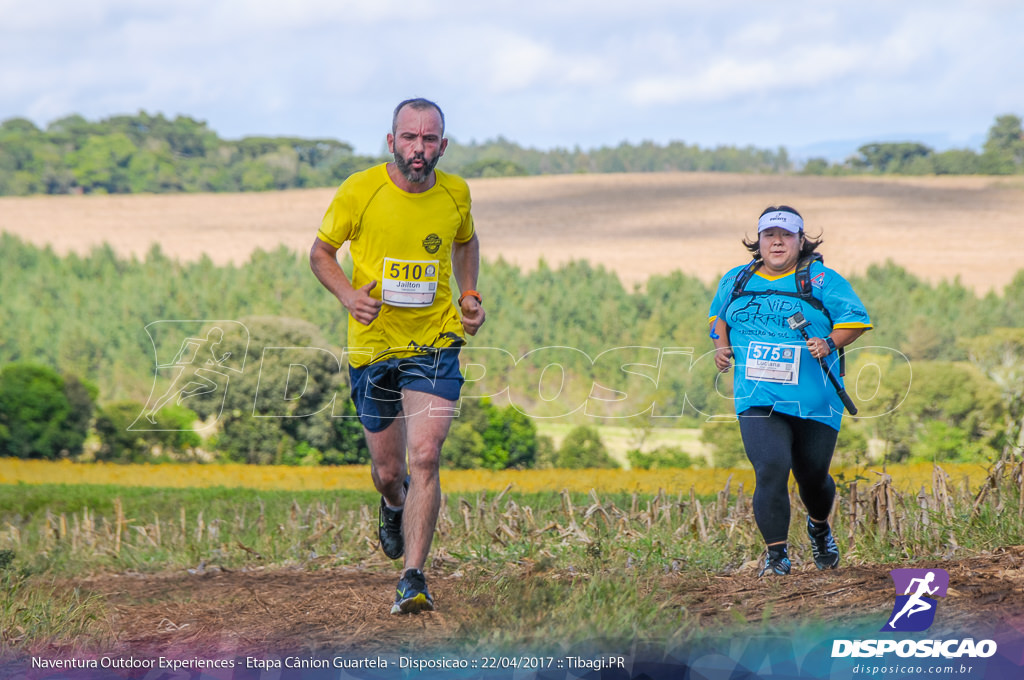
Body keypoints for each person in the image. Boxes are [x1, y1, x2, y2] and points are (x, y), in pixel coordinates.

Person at [310, 98, 485, 613]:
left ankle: (413, 576)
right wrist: (348, 296)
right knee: (390, 471)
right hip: (373, 347)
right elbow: (321, 254)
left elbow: (466, 241)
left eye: (429, 140)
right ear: (392, 142)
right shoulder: (360, 190)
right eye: (410, 138)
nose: (419, 148)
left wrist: (468, 294)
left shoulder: (456, 192)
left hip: (434, 341)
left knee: (426, 454)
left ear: (442, 147)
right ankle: (392, 503)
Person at [708, 205, 871, 577]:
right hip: (758, 394)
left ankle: (818, 526)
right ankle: (777, 557)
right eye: (770, 235)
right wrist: (721, 347)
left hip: (815, 397)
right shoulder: (735, 279)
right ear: (759, 241)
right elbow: (719, 317)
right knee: (770, 469)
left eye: (786, 235)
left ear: (801, 241)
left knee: (812, 476)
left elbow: (856, 321)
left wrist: (829, 342)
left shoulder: (822, 279)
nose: (777, 242)